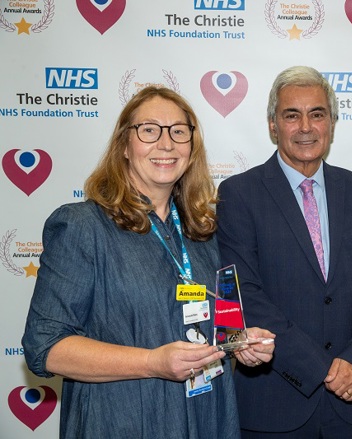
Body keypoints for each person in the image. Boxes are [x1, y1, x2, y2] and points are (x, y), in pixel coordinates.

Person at [22, 86, 275, 439]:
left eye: (178, 131)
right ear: (125, 146)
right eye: (149, 130)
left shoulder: (205, 231)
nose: (166, 143)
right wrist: (151, 363)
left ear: (191, 145)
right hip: (123, 417)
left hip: (207, 415)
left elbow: (218, 323)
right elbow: (45, 347)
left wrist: (239, 344)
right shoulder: (82, 227)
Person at [215, 66, 352, 438]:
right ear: (272, 125)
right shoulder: (239, 194)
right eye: (291, 115)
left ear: (331, 123)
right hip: (273, 406)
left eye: (317, 113)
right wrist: (325, 369)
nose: (306, 127)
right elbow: (244, 294)